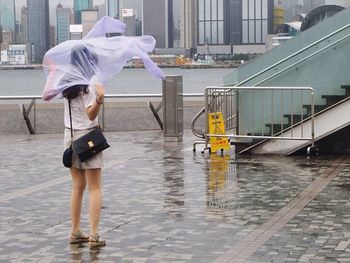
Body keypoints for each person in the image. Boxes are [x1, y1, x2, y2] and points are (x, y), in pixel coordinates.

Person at [63, 45, 106, 248]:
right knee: (95, 187)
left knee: (77, 187)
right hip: (88, 138)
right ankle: (94, 234)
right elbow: (90, 114)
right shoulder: (91, 82)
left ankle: (75, 231)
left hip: (70, 137)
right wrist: (99, 98)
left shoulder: (67, 82)